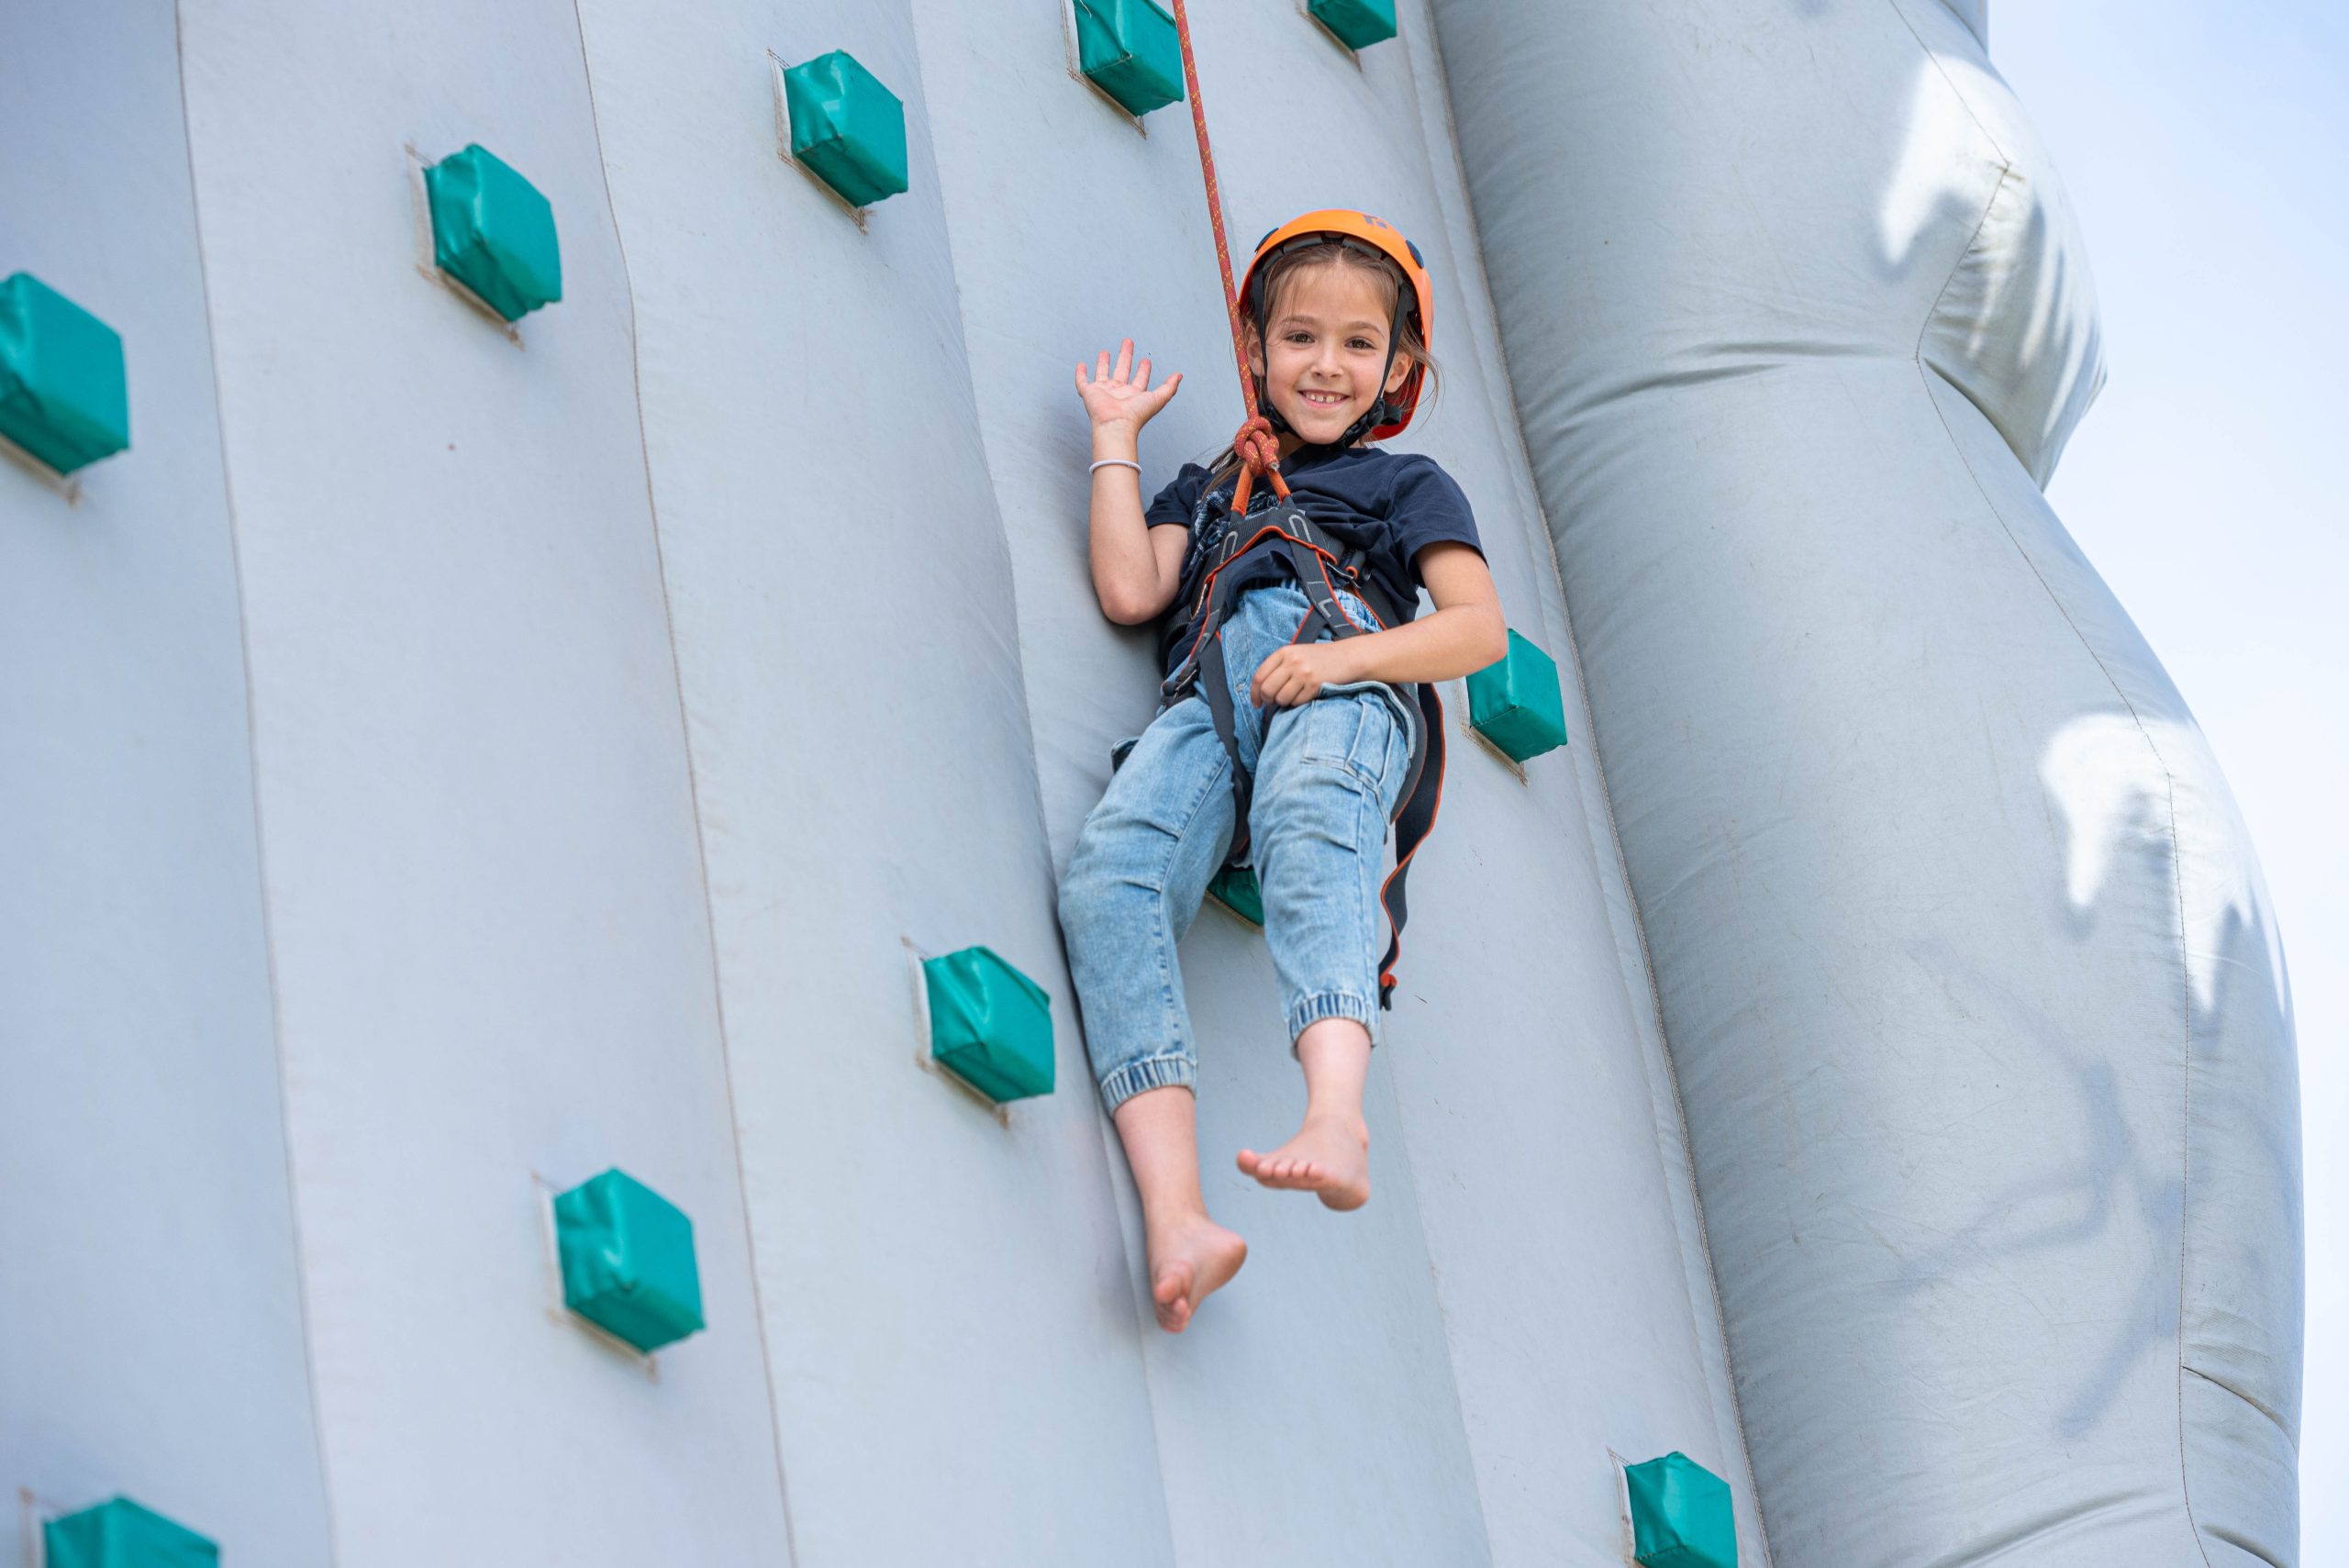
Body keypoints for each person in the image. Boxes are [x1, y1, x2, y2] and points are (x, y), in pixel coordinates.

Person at [1057, 212, 1508, 1334]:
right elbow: (1132, 588)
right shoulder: (1211, 489)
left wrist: (1337, 661)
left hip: (1340, 678)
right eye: (1299, 337)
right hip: (1214, 697)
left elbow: (1475, 630)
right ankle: (1177, 1214)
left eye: (1358, 345)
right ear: (1255, 347)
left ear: (1397, 370)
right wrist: (1114, 439)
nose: (1325, 364)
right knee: (1109, 878)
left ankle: (1336, 1113)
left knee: (1311, 811)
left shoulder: (1405, 485)